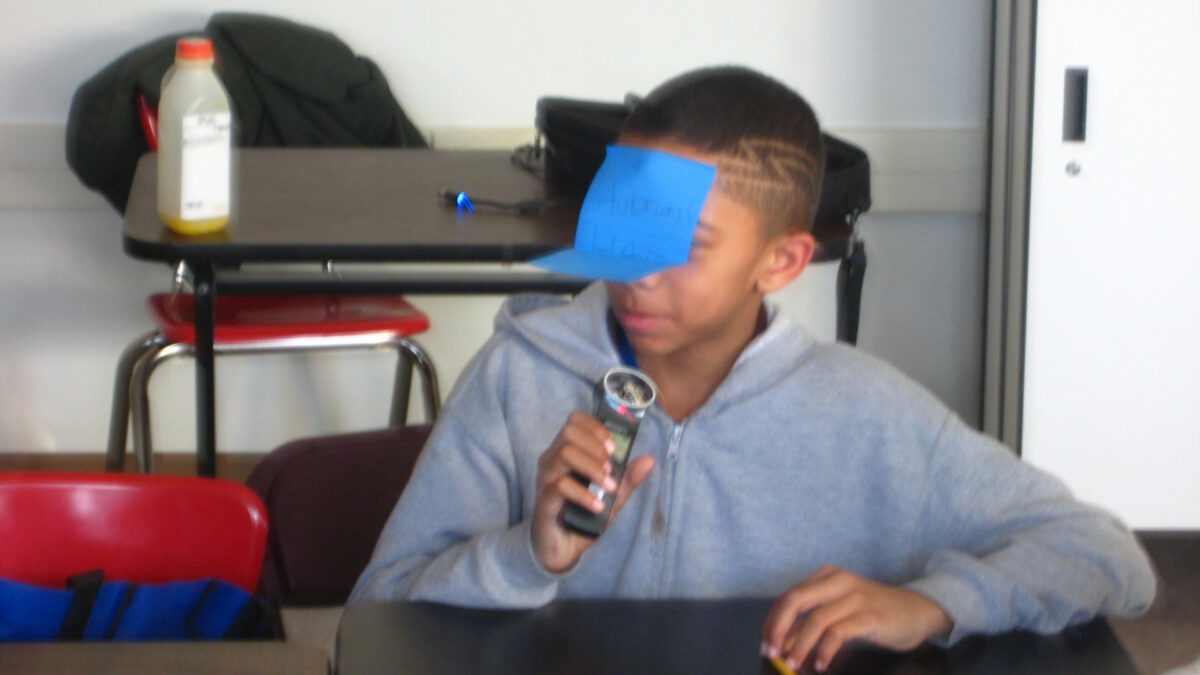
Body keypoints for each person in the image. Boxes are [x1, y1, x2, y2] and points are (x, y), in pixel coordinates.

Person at [349, 66, 1155, 672]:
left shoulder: (866, 414)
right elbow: (375, 614)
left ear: (782, 261)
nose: (638, 269)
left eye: (688, 246)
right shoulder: (521, 374)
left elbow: (1104, 554)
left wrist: (929, 604)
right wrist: (529, 554)